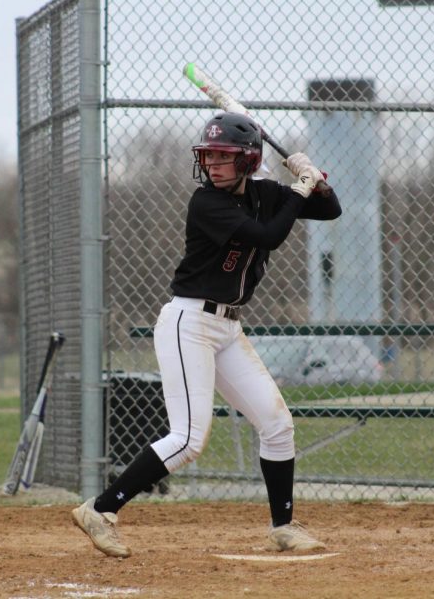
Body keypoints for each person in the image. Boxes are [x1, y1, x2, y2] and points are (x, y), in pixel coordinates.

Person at [72, 112, 342, 557]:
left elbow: (329, 210)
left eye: (224, 157)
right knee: (189, 438)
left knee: (277, 424)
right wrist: (300, 187)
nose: (213, 164)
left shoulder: (265, 193)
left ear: (249, 161)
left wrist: (312, 178)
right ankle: (101, 510)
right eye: (209, 155)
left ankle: (283, 527)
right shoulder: (206, 203)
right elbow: (269, 236)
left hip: (227, 328)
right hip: (189, 324)